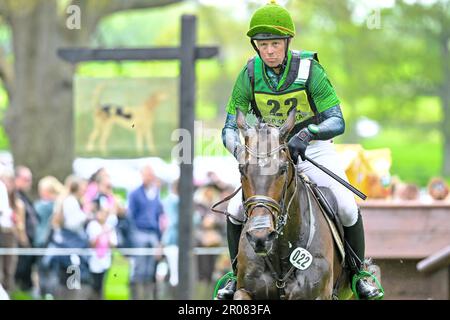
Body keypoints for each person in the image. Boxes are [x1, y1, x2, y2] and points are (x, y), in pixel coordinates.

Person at [218, 1, 383, 300]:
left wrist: (308, 133)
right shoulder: (249, 74)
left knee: (345, 204)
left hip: (314, 148)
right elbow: (229, 128)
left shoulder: (310, 70)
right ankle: (234, 275)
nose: (269, 51)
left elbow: (337, 120)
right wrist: (244, 154)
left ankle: (360, 272)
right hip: (269, 153)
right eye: (263, 44)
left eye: (275, 43)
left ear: (287, 43)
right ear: (256, 47)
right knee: (234, 209)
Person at [127, 164, 164, 300]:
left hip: (153, 233)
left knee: (150, 270)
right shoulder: (135, 194)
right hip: (139, 232)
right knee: (139, 268)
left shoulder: (155, 194)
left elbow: (158, 216)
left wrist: (159, 239)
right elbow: (131, 216)